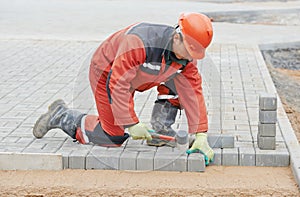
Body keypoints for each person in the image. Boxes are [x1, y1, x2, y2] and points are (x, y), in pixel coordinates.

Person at [33, 12, 214, 165]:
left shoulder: (187, 57)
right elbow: (118, 84)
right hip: (107, 73)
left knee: (182, 84)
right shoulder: (139, 41)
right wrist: (131, 123)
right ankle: (61, 115)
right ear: (177, 37)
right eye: (189, 50)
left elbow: (193, 93)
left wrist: (200, 135)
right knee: (113, 136)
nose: (191, 57)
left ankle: (161, 130)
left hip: (141, 75)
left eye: (195, 52)